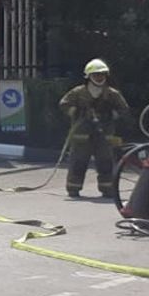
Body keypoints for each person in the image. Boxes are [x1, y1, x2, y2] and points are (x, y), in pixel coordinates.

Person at [59, 59, 129, 199]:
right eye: (96, 74)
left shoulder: (111, 93)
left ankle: (107, 189)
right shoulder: (78, 92)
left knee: (105, 161)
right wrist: (76, 112)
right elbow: (64, 104)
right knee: (78, 161)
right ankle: (74, 188)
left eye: (102, 74)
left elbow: (124, 108)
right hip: (82, 133)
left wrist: (110, 114)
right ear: (89, 76)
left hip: (104, 133)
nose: (99, 77)